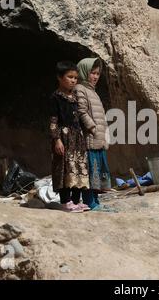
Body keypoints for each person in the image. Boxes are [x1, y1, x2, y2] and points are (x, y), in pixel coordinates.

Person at [49, 61, 90, 212]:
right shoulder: (56, 97)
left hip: (77, 138)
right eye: (69, 77)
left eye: (75, 78)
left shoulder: (75, 97)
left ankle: (75, 200)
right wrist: (57, 139)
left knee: (78, 167)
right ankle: (65, 201)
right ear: (59, 77)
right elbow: (53, 121)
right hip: (63, 138)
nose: (73, 80)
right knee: (65, 168)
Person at [75, 58, 113, 211]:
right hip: (90, 139)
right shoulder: (80, 89)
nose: (95, 77)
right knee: (91, 171)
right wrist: (93, 128)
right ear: (84, 72)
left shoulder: (93, 91)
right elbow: (81, 111)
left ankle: (95, 201)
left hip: (98, 139)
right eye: (92, 73)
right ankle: (89, 201)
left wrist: (104, 134)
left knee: (97, 171)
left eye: (97, 74)